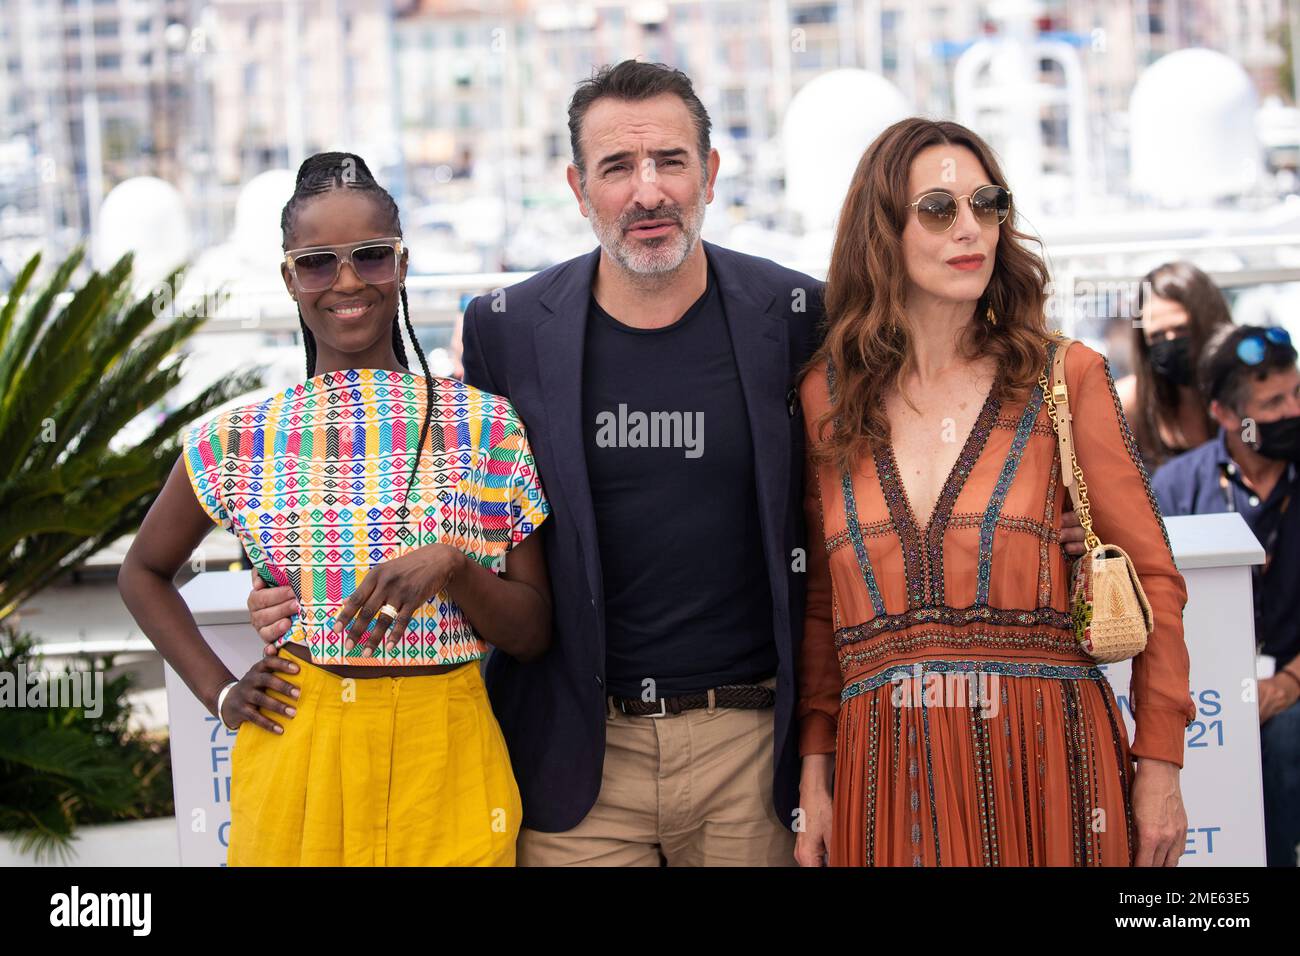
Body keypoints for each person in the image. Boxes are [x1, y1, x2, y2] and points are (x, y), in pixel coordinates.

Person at [245, 63, 1088, 866]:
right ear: (579, 189)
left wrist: (1040, 520)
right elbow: (451, 494)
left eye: (670, 161)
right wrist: (300, 579)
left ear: (710, 174)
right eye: (617, 166)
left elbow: (900, 450)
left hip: (751, 757)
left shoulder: (797, 314)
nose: (647, 190)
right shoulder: (508, 327)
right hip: (578, 759)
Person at [117, 152, 553, 866]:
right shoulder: (240, 439)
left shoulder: (487, 427)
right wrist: (221, 693)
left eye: (371, 256)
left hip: (446, 754)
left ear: (403, 265)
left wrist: (452, 567)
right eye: (318, 263)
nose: (347, 281)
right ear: (289, 279)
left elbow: (533, 632)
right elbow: (142, 571)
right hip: (299, 748)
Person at [794, 118, 1195, 867]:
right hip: (883, 776)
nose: (970, 229)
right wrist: (815, 780)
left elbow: (1156, 580)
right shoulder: (827, 397)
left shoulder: (1063, 378)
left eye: (987, 204)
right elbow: (823, 606)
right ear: (882, 232)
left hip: (1053, 765)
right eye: (938, 209)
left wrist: (1161, 766)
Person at [1152, 323, 1300, 867]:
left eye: (1297, 393)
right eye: (1272, 402)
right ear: (1223, 415)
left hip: (1290, 684)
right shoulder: (1174, 489)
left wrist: (1287, 683)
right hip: (1197, 694)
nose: (1291, 410)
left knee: (1285, 740)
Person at [1115, 262, 1233, 471]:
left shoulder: (1248, 393)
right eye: (1157, 335)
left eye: (1181, 329)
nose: (1170, 342)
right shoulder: (1130, 403)